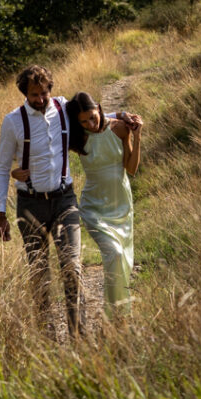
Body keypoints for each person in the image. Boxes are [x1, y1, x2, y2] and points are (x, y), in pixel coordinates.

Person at [0, 64, 136, 341]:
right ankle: (47, 338)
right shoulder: (12, 121)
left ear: (50, 89)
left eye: (43, 92)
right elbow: (1, 168)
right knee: (40, 275)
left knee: (72, 268)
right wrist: (0, 213)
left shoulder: (61, 108)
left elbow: (93, 116)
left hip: (65, 200)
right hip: (29, 204)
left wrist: (121, 115)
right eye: (33, 94)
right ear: (25, 93)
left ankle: (78, 337)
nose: (39, 99)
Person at [65, 91, 142, 318]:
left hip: (121, 204)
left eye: (93, 116)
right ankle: (114, 316)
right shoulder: (78, 136)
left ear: (99, 108)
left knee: (124, 260)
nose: (90, 123)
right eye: (84, 121)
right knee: (115, 255)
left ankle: (119, 318)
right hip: (94, 207)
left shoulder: (119, 128)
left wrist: (136, 137)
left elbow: (131, 169)